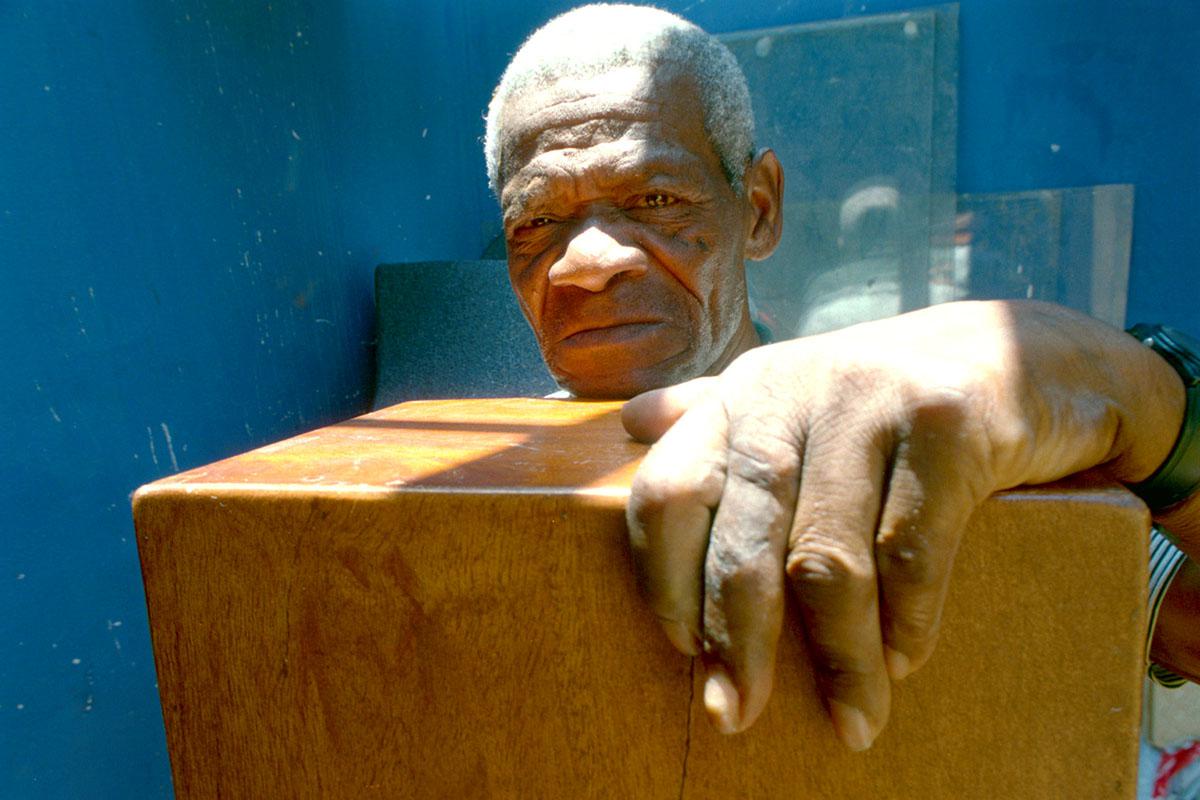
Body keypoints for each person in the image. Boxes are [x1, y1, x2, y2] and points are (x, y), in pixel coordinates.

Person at [483, 3, 1200, 755]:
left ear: (758, 210)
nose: (588, 262)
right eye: (536, 220)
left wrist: (1130, 388)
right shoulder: (471, 492)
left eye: (656, 199)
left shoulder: (929, 447)